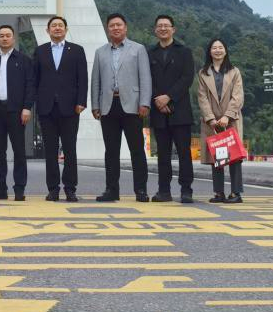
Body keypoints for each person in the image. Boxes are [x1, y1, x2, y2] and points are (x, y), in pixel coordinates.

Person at [90, 12, 152, 202]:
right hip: (108, 106)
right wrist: (95, 105)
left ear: (125, 28)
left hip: (132, 105)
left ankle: (140, 190)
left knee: (137, 150)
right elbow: (95, 80)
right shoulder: (100, 52)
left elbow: (145, 77)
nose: (115, 28)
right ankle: (111, 190)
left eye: (119, 25)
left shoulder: (138, 49)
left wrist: (144, 102)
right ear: (107, 29)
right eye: (112, 25)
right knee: (111, 151)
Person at [33, 15, 87, 202]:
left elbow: (82, 78)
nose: (57, 28)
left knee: (70, 149)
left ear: (66, 29)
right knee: (50, 150)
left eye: (60, 25)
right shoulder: (40, 51)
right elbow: (34, 79)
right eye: (53, 26)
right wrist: (36, 102)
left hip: (70, 108)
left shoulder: (77, 50)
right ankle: (53, 189)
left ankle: (70, 188)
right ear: (47, 30)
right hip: (46, 108)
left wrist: (81, 102)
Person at [148, 14, 196, 204]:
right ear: (155, 30)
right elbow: (146, 79)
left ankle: (186, 190)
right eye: (159, 26)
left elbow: (187, 78)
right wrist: (158, 100)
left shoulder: (184, 52)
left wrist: (168, 97)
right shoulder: (149, 53)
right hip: (158, 111)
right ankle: (164, 190)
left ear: (173, 29)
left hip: (180, 111)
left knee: (184, 153)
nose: (163, 28)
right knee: (163, 154)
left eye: (166, 26)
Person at [0, 24, 34, 201]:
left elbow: (30, 85)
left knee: (19, 151)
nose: (5, 38)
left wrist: (27, 107)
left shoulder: (24, 60)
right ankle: (0, 188)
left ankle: (19, 188)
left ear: (13, 38)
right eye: (1, 36)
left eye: (8, 35)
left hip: (17, 111)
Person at [196, 38, 246, 203]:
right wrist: (210, 118)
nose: (217, 50)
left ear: (225, 50)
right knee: (216, 157)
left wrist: (227, 116)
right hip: (212, 122)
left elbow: (238, 96)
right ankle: (219, 193)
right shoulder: (203, 73)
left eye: (220, 47)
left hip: (231, 120)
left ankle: (236, 193)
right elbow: (202, 97)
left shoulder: (234, 71)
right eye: (214, 48)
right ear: (209, 51)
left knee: (234, 157)